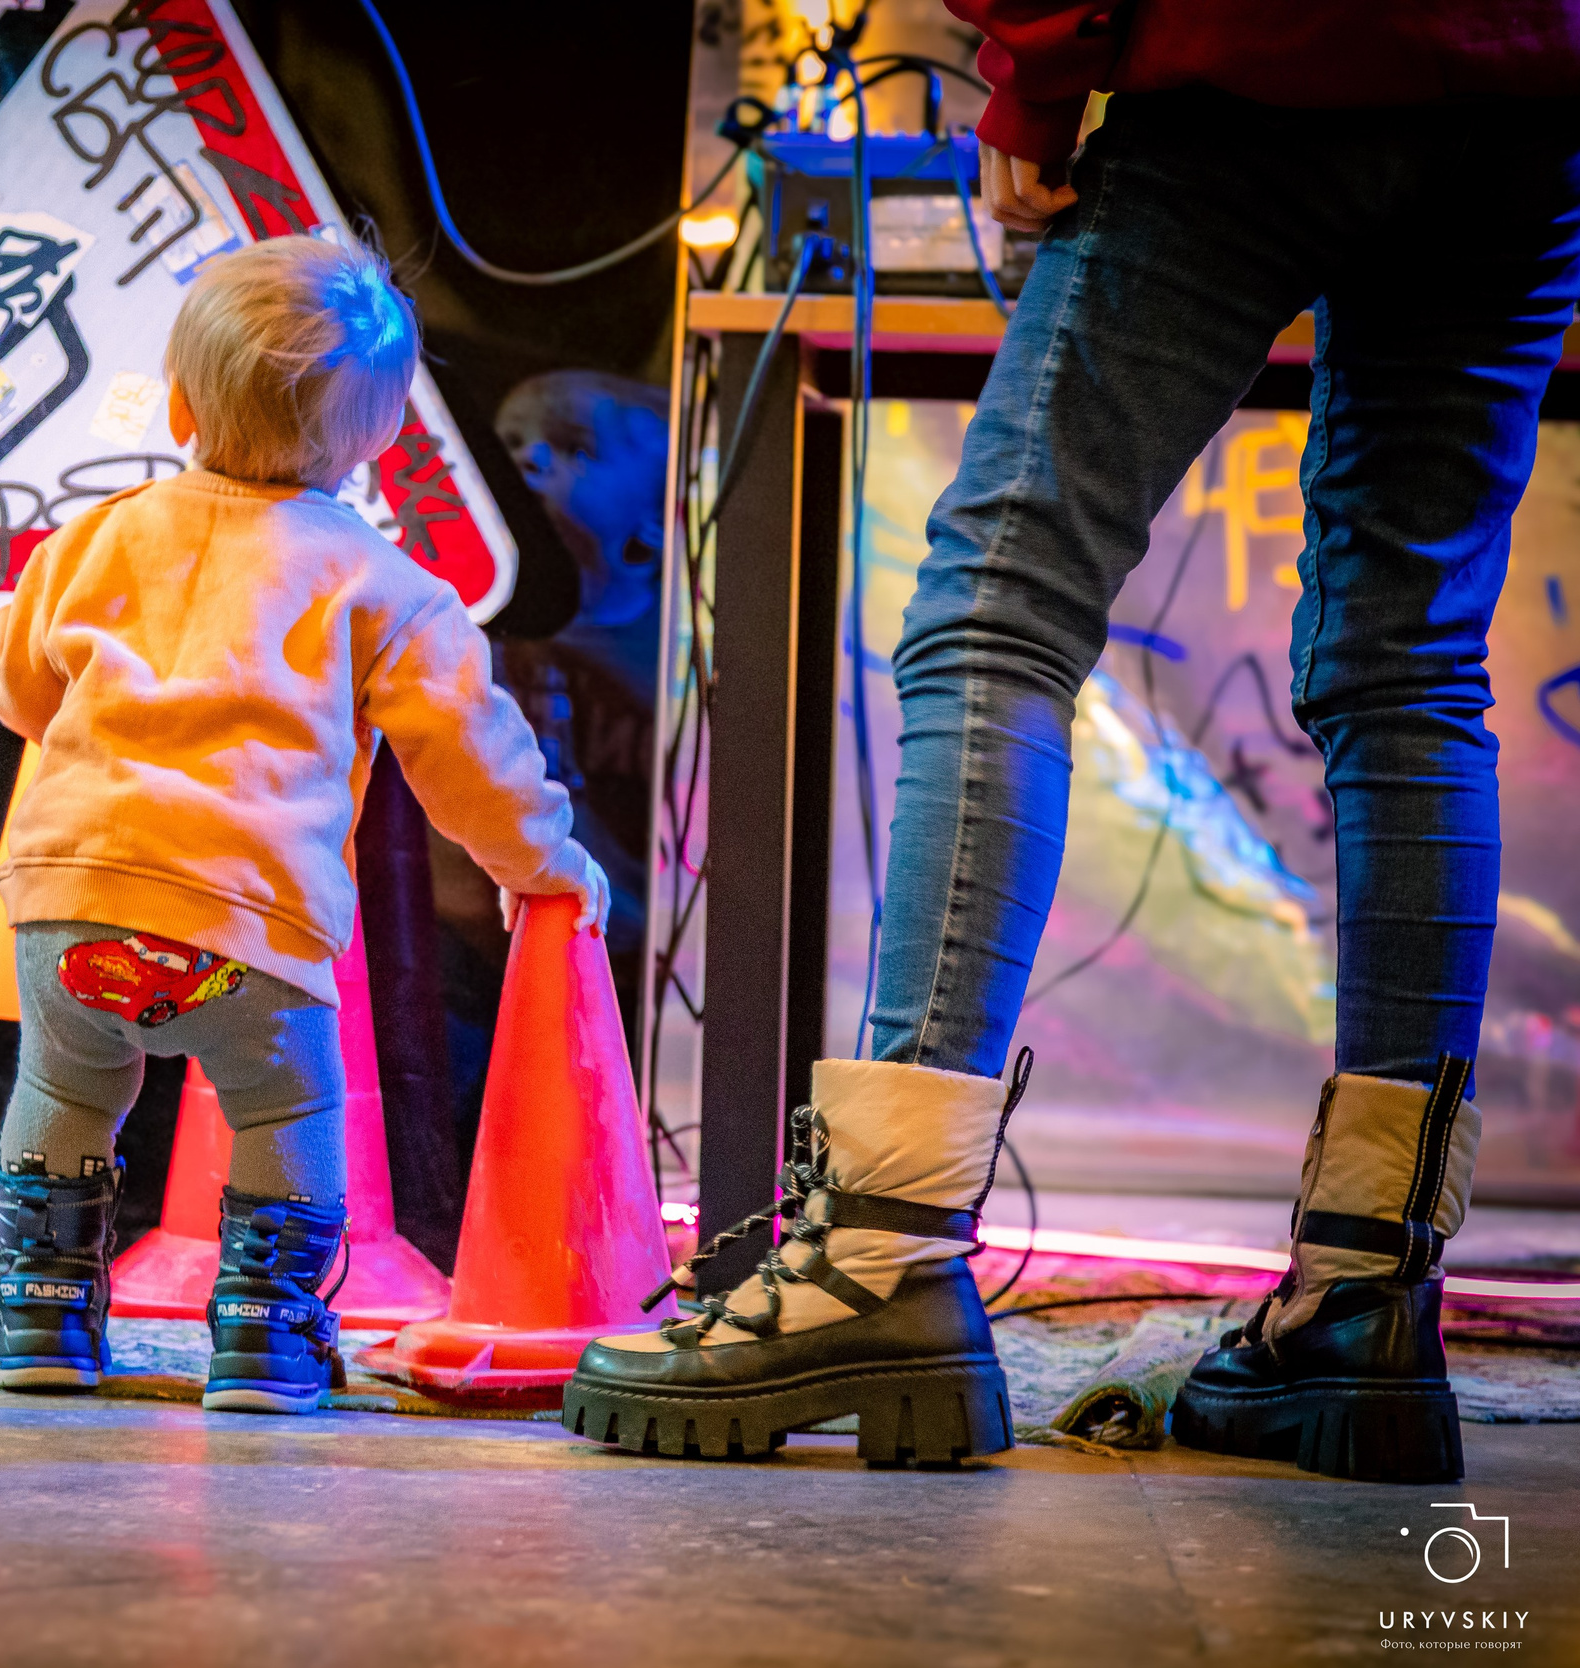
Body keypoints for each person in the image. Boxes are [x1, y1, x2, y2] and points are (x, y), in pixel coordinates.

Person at [565, 4, 1580, 1482]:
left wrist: (1031, 92)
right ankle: (1365, 1299)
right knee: (1411, 669)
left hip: (1258, 65)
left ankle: (882, 1252)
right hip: (1528, 114)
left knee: (1000, 608)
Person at [0, 235, 609, 1413]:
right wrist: (543, 862)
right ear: (377, 439)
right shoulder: (382, 585)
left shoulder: (91, 539)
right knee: (288, 1110)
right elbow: (471, 759)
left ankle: (41, 1318)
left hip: (70, 909)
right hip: (247, 932)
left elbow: (11, 687)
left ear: (176, 403)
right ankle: (265, 1340)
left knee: (63, 1092)